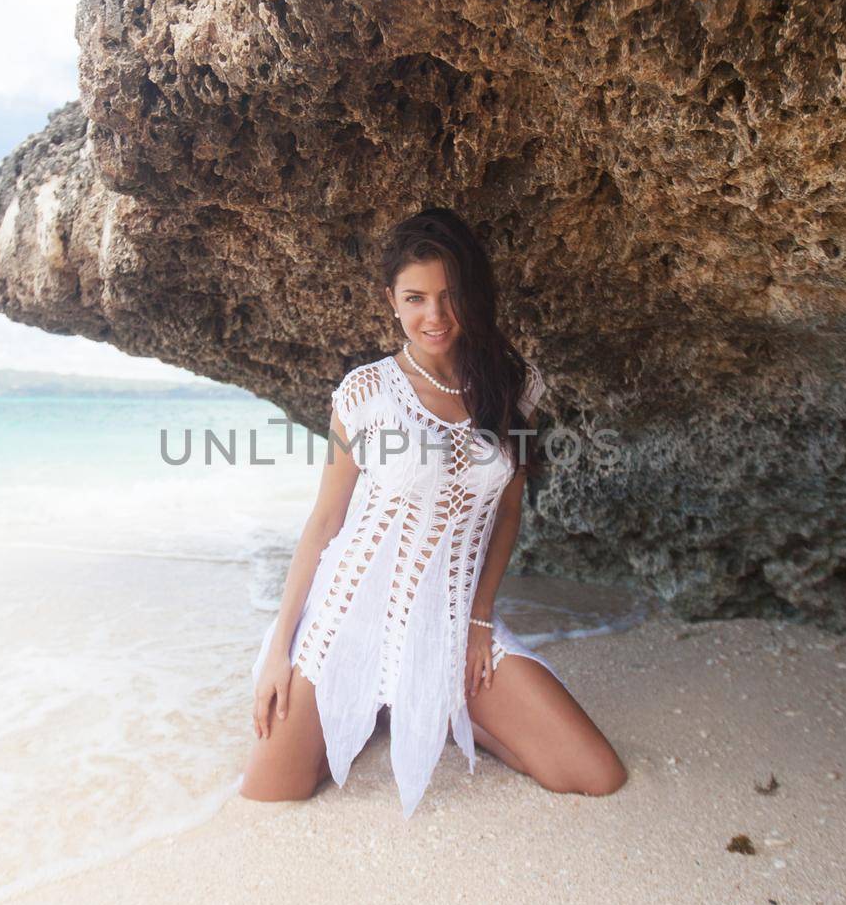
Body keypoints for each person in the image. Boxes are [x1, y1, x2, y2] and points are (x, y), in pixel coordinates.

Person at [241, 207, 627, 818]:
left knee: (593, 772)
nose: (435, 317)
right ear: (391, 301)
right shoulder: (365, 394)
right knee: (272, 789)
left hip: (451, 623)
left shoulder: (513, 385)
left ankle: (434, 706)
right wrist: (279, 652)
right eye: (415, 298)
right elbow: (324, 524)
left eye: (450, 297)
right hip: (350, 616)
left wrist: (479, 620)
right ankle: (380, 703)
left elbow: (506, 513)